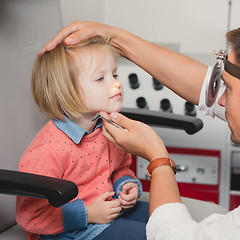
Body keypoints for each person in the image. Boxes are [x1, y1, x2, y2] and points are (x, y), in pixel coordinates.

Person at [41, 15, 240, 239]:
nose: (219, 101)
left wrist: (157, 158)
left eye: (229, 90)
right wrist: (113, 36)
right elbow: (208, 90)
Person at [17, 36, 148, 240]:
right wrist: (88, 214)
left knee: (165, 219)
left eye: (114, 74)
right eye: (100, 78)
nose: (116, 84)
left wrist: (125, 185)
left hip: (110, 212)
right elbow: (30, 216)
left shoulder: (107, 129)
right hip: (73, 232)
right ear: (66, 91)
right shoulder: (47, 150)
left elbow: (120, 168)